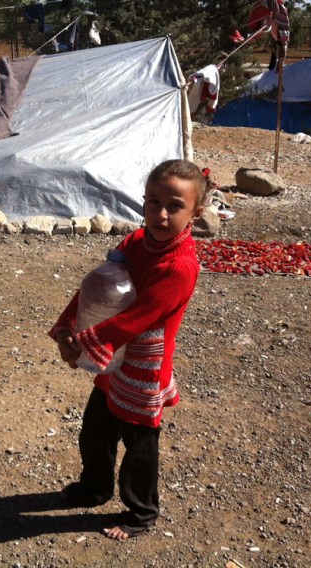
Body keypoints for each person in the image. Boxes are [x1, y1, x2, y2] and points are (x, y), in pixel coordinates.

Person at [49, 159, 211, 540]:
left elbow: (141, 315)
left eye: (175, 206)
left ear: (195, 213)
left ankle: (141, 513)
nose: (161, 213)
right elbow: (97, 288)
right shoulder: (136, 242)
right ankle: (95, 489)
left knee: (139, 444)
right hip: (112, 356)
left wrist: (86, 344)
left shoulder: (180, 266)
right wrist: (66, 329)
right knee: (95, 430)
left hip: (142, 365)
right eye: (153, 202)